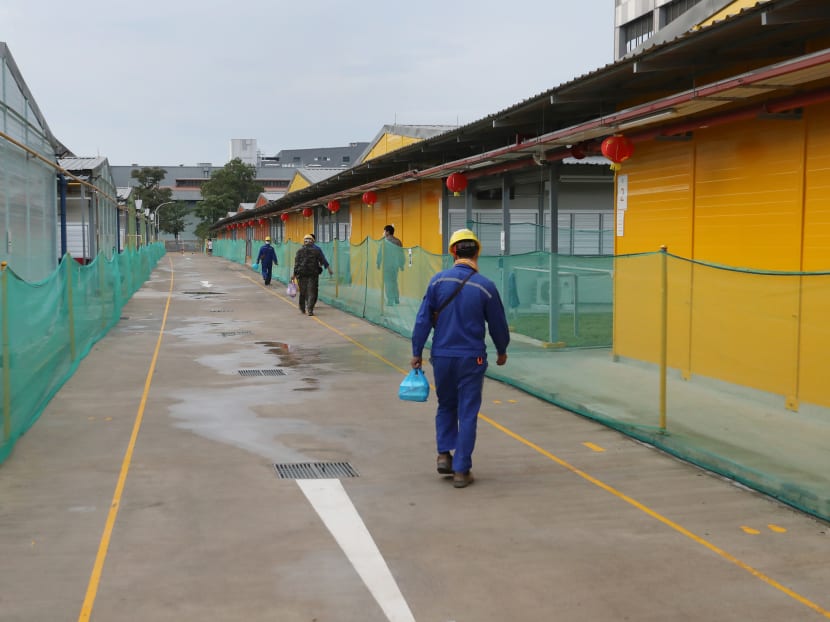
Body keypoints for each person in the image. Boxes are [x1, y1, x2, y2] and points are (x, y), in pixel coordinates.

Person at [410, 228, 510, 489]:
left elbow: (423, 320)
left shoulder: (437, 282)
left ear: (452, 252)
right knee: (467, 411)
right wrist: (502, 350)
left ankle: (444, 453)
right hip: (472, 360)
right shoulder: (485, 287)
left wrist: (417, 352)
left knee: (445, 405)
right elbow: (498, 324)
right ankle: (461, 471)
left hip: (442, 356)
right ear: (477, 252)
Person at [293, 233, 326, 316]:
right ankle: (310, 310)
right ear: (312, 242)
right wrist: (318, 265)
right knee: (311, 292)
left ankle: (302, 308)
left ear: (304, 242)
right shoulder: (316, 251)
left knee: (303, 292)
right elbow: (322, 261)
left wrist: (294, 274)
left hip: (301, 274)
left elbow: (296, 263)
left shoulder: (299, 251)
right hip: (313, 274)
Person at [376, 224, 404, 305]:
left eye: (384, 231)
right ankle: (396, 298)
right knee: (394, 281)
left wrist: (378, 263)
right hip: (395, 266)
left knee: (388, 282)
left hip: (387, 266)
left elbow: (380, 253)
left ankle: (390, 300)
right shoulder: (398, 241)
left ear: (387, 232)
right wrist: (401, 264)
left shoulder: (384, 241)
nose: (384, 232)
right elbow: (401, 254)